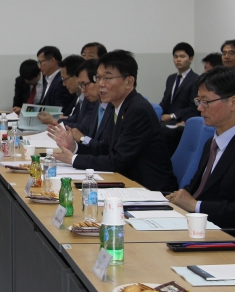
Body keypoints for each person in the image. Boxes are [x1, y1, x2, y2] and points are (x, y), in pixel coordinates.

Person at [48, 50, 178, 192]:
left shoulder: (137, 110)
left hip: (150, 189)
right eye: (98, 78)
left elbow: (118, 161)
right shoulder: (116, 106)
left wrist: (74, 159)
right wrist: (75, 148)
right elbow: (106, 148)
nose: (100, 84)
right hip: (127, 181)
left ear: (129, 82)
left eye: (107, 78)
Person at [167, 66, 235, 229]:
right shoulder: (211, 143)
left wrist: (196, 206)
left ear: (233, 102)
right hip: (195, 225)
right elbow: (197, 188)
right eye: (198, 101)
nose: (200, 108)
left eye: (206, 102)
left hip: (227, 234)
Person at [61, 59, 113, 152]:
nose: (83, 90)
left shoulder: (115, 108)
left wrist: (82, 139)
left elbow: (107, 150)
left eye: (85, 85)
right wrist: (74, 149)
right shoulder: (98, 104)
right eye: (81, 86)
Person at [36, 55, 94, 127]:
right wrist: (59, 118)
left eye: (64, 79)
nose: (63, 84)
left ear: (77, 77)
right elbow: (76, 118)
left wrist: (54, 121)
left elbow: (83, 127)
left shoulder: (91, 98)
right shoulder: (79, 95)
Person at [159, 42, 199, 125]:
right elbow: (165, 101)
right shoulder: (171, 78)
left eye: (182, 56)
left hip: (182, 120)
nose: (178, 59)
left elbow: (193, 107)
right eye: (175, 56)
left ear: (191, 59)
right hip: (166, 118)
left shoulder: (196, 79)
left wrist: (172, 116)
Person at [36, 46, 75, 115]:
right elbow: (43, 104)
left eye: (41, 62)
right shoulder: (48, 79)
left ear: (52, 61)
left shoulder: (61, 81)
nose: (39, 67)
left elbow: (61, 109)